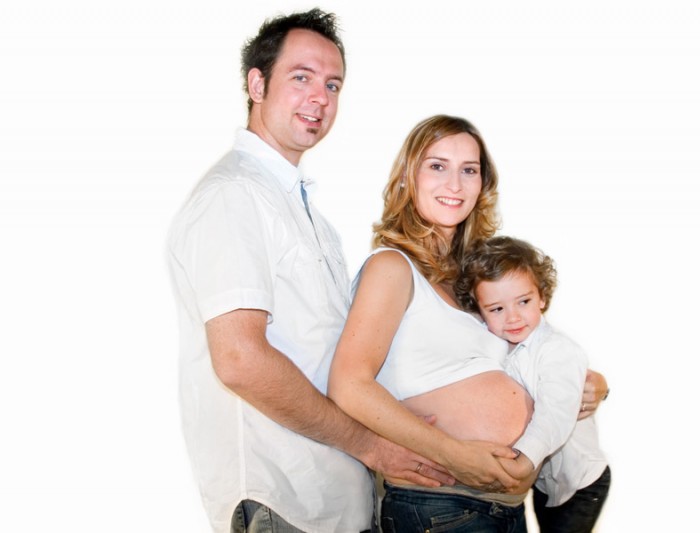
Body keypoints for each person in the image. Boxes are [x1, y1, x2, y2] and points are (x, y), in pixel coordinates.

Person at [166, 9, 455, 533]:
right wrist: (371, 445)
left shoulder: (304, 212)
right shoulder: (234, 195)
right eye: (301, 77)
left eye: (332, 85)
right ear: (257, 84)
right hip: (284, 501)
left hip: (335, 499)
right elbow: (240, 359)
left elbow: (336, 356)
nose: (320, 98)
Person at [327, 115, 609, 532]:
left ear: (483, 184)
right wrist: (454, 454)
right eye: (437, 166)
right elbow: (348, 385)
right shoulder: (392, 267)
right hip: (441, 505)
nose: (455, 184)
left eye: (469, 170)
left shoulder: (476, 279)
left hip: (504, 508)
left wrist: (591, 386)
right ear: (407, 177)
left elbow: (530, 354)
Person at [455, 236, 611, 533]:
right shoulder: (496, 346)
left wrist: (523, 461)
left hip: (581, 482)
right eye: (496, 309)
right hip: (544, 480)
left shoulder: (559, 351)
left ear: (542, 297)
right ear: (480, 312)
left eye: (523, 302)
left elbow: (553, 416)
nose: (513, 317)